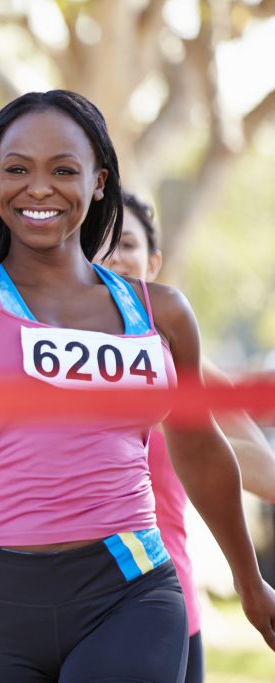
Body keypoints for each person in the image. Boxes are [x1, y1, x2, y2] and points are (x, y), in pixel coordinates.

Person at [0, 64, 275, 681]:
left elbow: (198, 448)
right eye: (17, 170)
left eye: (63, 170)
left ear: (98, 182)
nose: (40, 188)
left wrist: (250, 584)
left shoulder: (160, 313)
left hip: (130, 592)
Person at [98, 189, 275, 682]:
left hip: (166, 611)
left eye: (126, 244)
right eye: (100, 244)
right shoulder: (49, 352)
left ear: (153, 262)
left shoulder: (178, 357)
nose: (114, 256)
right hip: (67, 610)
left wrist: (175, 422)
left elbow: (261, 468)